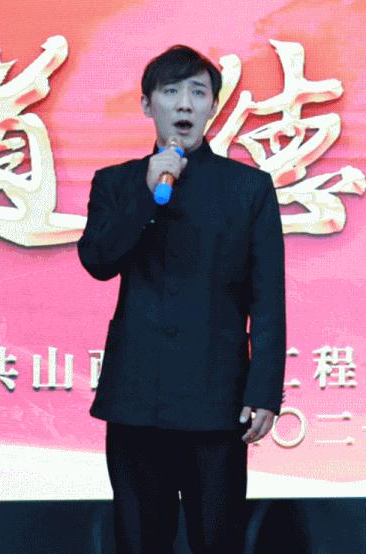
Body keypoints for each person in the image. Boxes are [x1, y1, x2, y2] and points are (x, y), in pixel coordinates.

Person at [78, 45, 286, 554]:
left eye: (198, 92)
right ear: (147, 105)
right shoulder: (117, 183)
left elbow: (267, 297)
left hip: (216, 400)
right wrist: (146, 193)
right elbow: (98, 260)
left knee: (217, 540)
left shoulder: (248, 188)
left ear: (212, 106)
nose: (185, 104)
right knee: (139, 539)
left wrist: (264, 390)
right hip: (136, 397)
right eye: (171, 92)